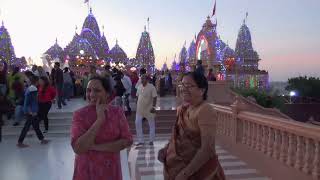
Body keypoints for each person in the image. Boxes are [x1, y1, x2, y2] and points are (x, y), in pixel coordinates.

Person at [158, 72, 225, 180]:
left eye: (189, 86)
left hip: (197, 173)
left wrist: (185, 174)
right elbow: (177, 137)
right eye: (182, 85)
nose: (184, 89)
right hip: (177, 168)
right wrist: (166, 149)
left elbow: (207, 149)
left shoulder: (205, 110)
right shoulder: (182, 109)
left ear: (202, 90)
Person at [71, 76, 133, 180]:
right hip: (86, 172)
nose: (91, 94)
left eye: (97, 90)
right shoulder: (79, 115)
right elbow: (78, 148)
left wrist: (95, 147)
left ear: (107, 93)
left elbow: (127, 141)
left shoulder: (117, 113)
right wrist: (99, 120)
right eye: (88, 90)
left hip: (110, 172)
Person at [17, 75, 49, 148]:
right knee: (27, 127)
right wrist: (30, 111)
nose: (40, 82)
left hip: (31, 110)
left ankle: (42, 139)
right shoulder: (33, 89)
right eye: (39, 81)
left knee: (35, 126)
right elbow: (30, 101)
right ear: (36, 81)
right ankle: (20, 142)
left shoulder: (30, 88)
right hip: (31, 111)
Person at [135, 74, 157, 146]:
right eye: (141, 79)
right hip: (139, 109)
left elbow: (155, 97)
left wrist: (153, 107)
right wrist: (136, 104)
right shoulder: (139, 86)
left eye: (143, 79)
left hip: (149, 109)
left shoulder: (151, 87)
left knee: (151, 124)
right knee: (137, 123)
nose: (142, 80)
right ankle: (141, 141)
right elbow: (137, 96)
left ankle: (151, 140)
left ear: (147, 80)